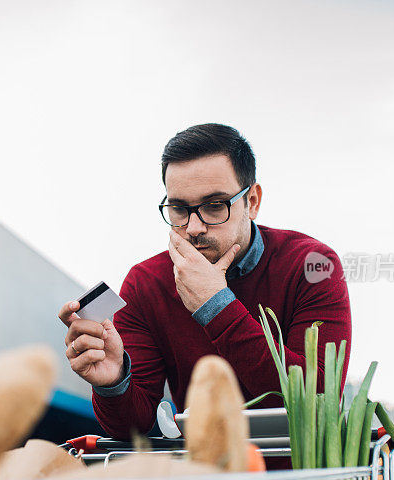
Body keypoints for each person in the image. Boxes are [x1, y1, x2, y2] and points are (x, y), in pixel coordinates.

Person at [58, 123, 351, 441]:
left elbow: (317, 399)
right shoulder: (146, 283)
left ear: (251, 201)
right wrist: (113, 382)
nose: (194, 227)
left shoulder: (314, 266)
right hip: (207, 479)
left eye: (214, 206)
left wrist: (216, 305)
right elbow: (133, 427)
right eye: (179, 208)